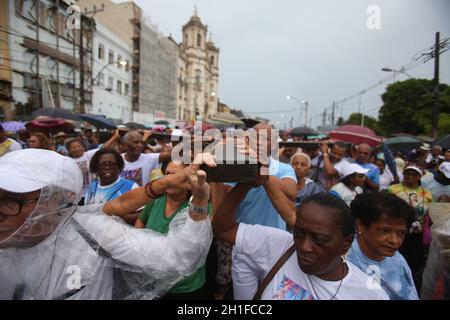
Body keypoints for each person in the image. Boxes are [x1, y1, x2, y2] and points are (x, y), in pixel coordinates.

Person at [0, 149, 215, 300]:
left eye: (11, 201)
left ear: (55, 200)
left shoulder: (91, 232)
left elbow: (178, 257)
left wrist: (198, 201)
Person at [212, 185, 388, 300]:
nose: (304, 247)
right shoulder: (281, 245)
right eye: (298, 234)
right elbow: (224, 229)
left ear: (346, 243)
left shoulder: (369, 294)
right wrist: (246, 183)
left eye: (319, 240)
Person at [134, 161, 212, 299]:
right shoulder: (156, 199)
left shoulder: (200, 206)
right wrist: (139, 246)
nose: (168, 179)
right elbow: (141, 220)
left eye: (175, 174)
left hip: (185, 287)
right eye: (167, 174)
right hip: (152, 280)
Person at [347, 192, 418, 300]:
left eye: (401, 234)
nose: (394, 241)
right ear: (360, 225)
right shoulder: (344, 260)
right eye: (384, 231)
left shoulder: (398, 260)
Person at [387, 164, 433, 290]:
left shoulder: (427, 194)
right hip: (396, 232)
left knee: (413, 261)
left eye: (414, 174)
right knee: (394, 257)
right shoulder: (393, 189)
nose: (410, 176)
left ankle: (408, 284)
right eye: (407, 173)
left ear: (420, 176)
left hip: (416, 234)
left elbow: (428, 214)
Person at [84, 148, 139, 224]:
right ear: (96, 168)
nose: (107, 167)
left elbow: (142, 215)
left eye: (112, 164)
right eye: (103, 164)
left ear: (119, 166)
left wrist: (116, 217)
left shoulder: (131, 187)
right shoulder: (92, 188)